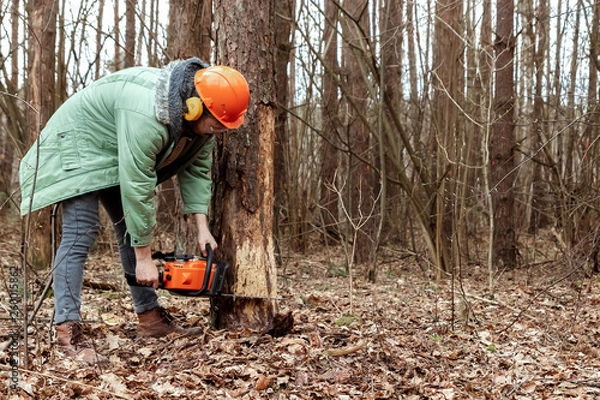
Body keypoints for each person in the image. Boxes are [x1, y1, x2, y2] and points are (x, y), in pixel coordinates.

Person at [19, 57, 250, 365]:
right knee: (81, 231)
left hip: (112, 147)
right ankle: (67, 330)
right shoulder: (149, 116)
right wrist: (143, 259)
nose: (219, 132)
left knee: (130, 228)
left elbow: (197, 171)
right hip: (76, 141)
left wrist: (201, 226)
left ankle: (151, 319)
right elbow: (138, 188)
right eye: (217, 125)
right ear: (195, 107)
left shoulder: (201, 126)